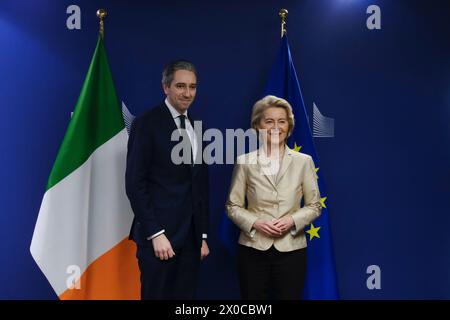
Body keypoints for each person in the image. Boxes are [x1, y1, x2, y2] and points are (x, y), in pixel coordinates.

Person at [126, 60, 210, 300]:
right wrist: (155, 234)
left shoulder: (196, 127)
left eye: (192, 87)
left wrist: (202, 236)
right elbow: (135, 184)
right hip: (159, 241)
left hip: (191, 242)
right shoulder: (146, 124)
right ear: (166, 87)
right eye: (181, 86)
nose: (187, 93)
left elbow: (200, 187)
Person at [226, 95, 322, 300]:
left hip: (292, 249)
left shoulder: (303, 161)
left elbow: (314, 205)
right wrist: (256, 223)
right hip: (252, 249)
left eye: (282, 121)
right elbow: (233, 206)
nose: (276, 127)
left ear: (289, 126)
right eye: (269, 121)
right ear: (257, 124)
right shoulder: (245, 162)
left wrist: (291, 220)